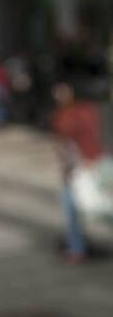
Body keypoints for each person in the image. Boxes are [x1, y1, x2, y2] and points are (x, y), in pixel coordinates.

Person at [50, 82, 110, 262]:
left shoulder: (70, 114)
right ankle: (76, 246)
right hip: (100, 163)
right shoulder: (100, 111)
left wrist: (69, 169)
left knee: (72, 206)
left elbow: (66, 144)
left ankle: (76, 248)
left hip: (84, 167)